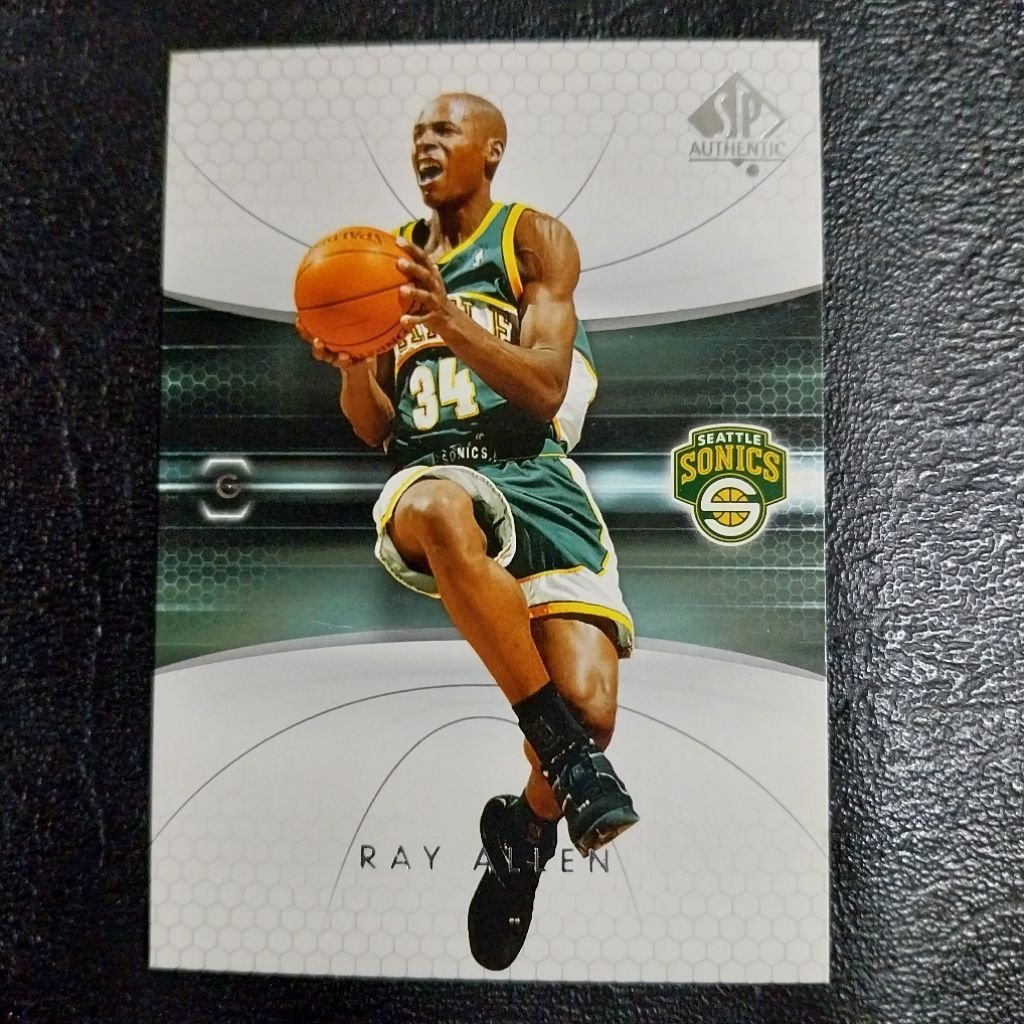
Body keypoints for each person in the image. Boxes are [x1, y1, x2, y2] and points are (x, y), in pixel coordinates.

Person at [298, 93, 638, 971]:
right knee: (437, 506)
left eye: (445, 131)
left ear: (491, 150)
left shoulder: (533, 240)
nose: (426, 144)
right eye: (417, 133)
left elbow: (546, 388)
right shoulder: (383, 259)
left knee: (593, 711)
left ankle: (524, 832)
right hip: (439, 471)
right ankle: (566, 758)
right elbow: (377, 428)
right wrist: (352, 368)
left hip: (535, 474)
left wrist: (448, 318)